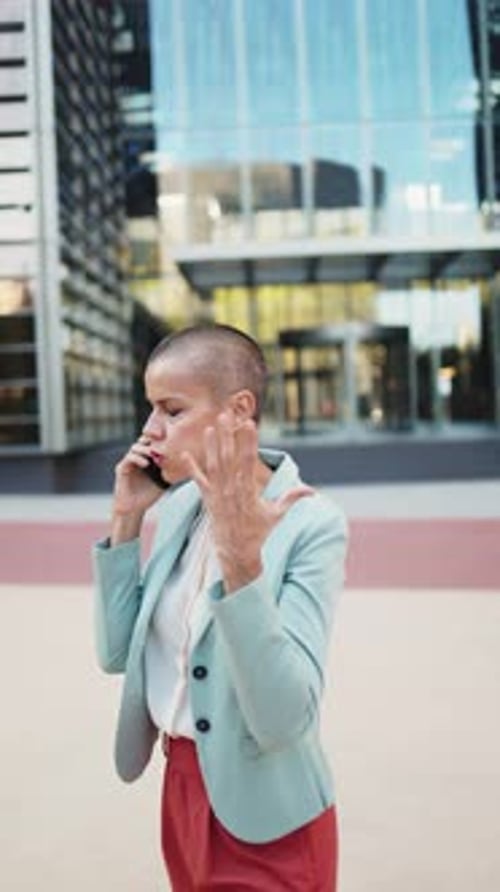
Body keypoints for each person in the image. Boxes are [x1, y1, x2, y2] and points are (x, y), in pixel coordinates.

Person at [93, 323, 348, 891]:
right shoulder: (181, 508)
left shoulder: (313, 525)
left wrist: (240, 558)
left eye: (172, 410)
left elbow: (284, 718)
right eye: (150, 409)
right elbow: (117, 655)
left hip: (273, 815)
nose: (150, 431)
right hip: (183, 794)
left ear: (239, 410)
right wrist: (126, 519)